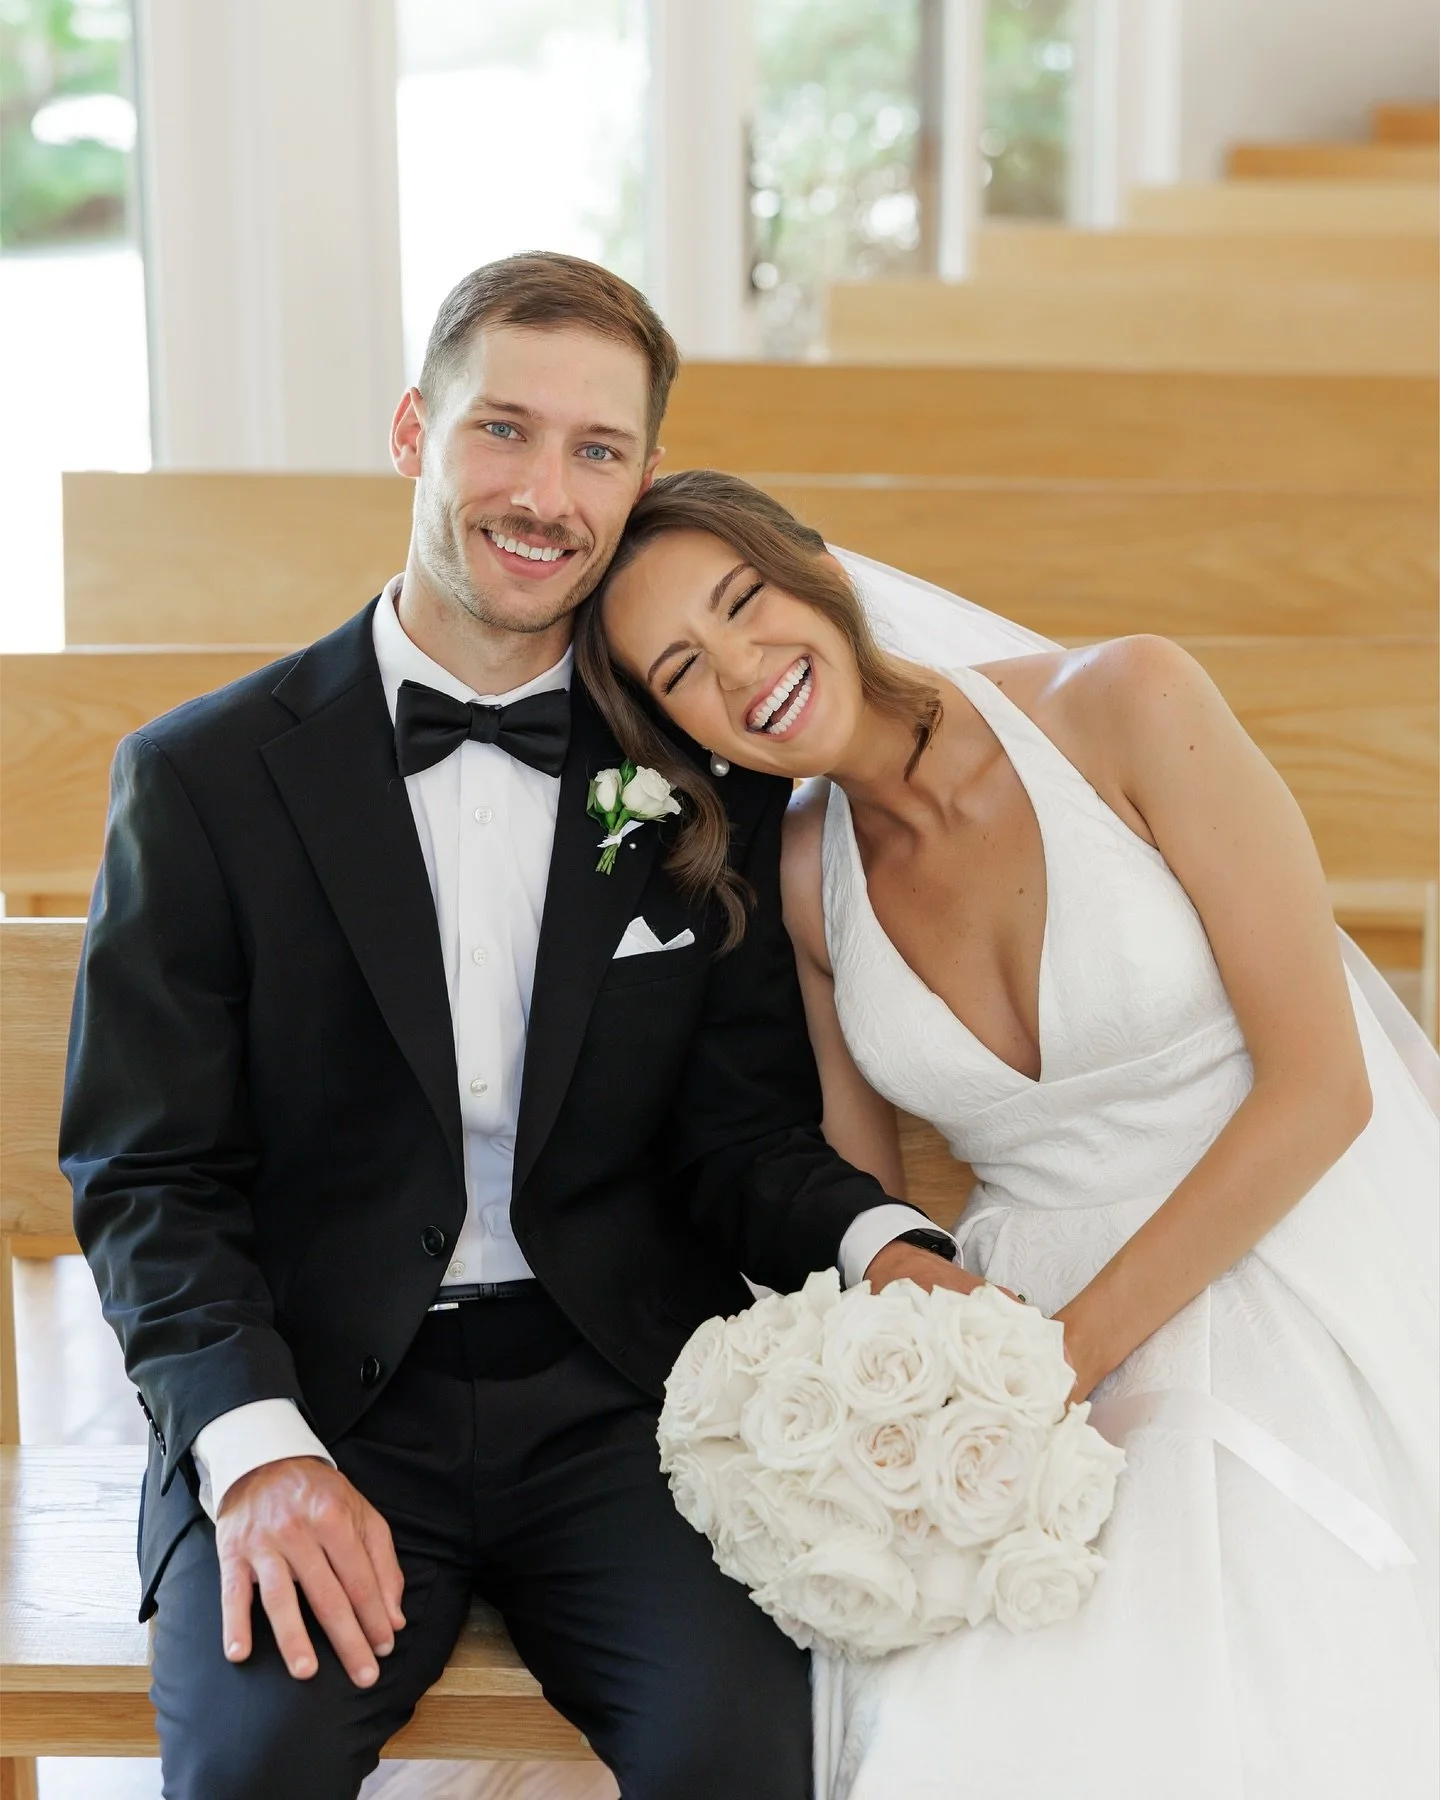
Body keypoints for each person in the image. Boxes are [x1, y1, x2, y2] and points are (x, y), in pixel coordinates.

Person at [59, 255, 973, 1800]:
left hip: (623, 1395)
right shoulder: (202, 782)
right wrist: (256, 1449)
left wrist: (882, 1238)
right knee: (249, 1773)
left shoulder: (701, 775)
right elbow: (153, 1179)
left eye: (596, 450)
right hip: (320, 1395)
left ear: (643, 480)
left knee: (746, 1758)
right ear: (416, 431)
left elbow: (739, 1136)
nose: (544, 491)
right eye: (504, 430)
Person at [583, 468, 1440, 1799]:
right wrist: (906, 1400)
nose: (745, 669)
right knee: (973, 1706)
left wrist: (1070, 1354)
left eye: (745, 601)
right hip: (1017, 1302)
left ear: (814, 567)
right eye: (686, 669)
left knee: (1239, 1643)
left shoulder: (1128, 703)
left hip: (1278, 1234)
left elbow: (1325, 1085)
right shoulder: (805, 881)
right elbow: (862, 1197)